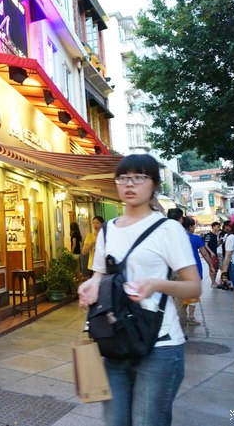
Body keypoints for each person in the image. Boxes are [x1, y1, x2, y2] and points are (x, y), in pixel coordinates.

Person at [77, 154, 200, 426]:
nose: (129, 184)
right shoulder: (107, 230)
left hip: (159, 344)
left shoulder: (168, 229)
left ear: (154, 184)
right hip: (115, 340)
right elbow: (100, 274)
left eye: (139, 177)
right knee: (115, 421)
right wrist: (90, 285)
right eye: (123, 178)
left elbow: (194, 285)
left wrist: (155, 284)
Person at [182, 216, 213, 325]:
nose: (194, 228)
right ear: (190, 227)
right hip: (194, 270)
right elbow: (204, 254)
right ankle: (190, 317)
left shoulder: (176, 238)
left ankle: (181, 315)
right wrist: (211, 265)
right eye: (194, 226)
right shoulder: (195, 238)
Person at [203, 222, 221, 288]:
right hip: (210, 255)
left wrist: (219, 243)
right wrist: (211, 252)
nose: (218, 228)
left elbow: (215, 246)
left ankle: (214, 281)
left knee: (215, 268)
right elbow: (205, 245)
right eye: (217, 226)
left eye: (219, 227)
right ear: (213, 227)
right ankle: (213, 282)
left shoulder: (215, 235)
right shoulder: (209, 235)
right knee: (212, 268)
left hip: (214, 253)